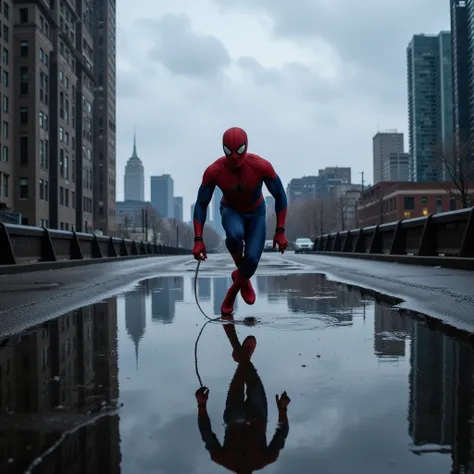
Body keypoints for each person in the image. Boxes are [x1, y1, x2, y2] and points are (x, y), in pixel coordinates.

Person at [192, 127, 288, 315]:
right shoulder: (214, 171)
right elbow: (201, 204)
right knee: (235, 235)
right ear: (223, 149)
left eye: (240, 151)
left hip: (257, 213)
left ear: (247, 147)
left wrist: (280, 230)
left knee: (252, 259)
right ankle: (241, 278)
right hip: (231, 210)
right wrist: (198, 239)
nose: (235, 157)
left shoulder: (261, 166)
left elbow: (280, 195)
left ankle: (235, 286)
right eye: (229, 152)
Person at [195, 320, 291, 473]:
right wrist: (282, 410)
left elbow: (282, 432)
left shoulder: (257, 459)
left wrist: (283, 410)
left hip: (238, 417)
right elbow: (206, 433)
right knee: (250, 378)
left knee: (250, 379)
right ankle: (242, 357)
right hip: (250, 416)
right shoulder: (227, 459)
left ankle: (243, 356)